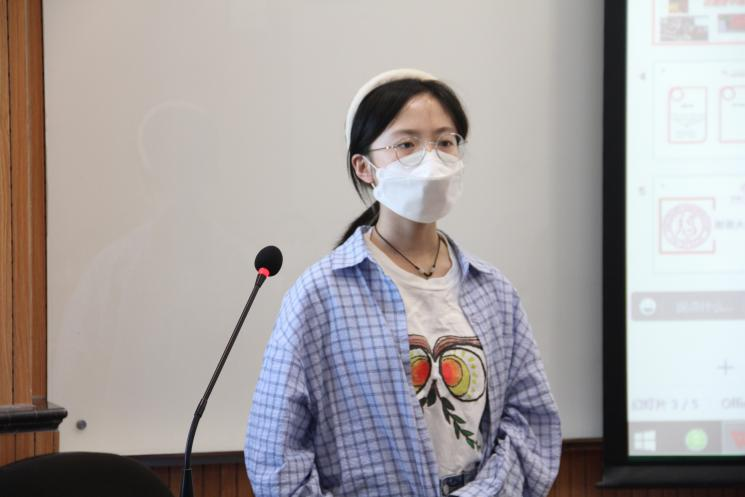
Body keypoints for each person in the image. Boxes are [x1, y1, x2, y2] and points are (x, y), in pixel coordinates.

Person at [245, 69, 561, 497]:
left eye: (445, 142)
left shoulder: (494, 291)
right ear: (365, 167)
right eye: (407, 144)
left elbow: (531, 425)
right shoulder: (321, 294)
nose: (431, 160)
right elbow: (276, 456)